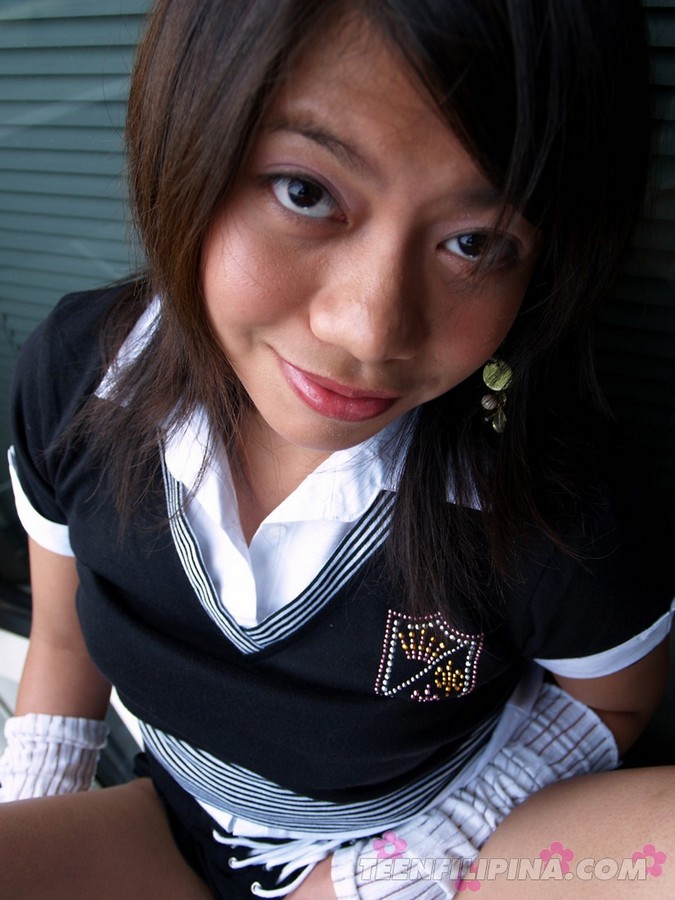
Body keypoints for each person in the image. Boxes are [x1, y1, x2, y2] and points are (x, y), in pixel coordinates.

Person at [0, 0, 673, 897]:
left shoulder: (549, 498)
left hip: (433, 843)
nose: (369, 327)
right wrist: (36, 825)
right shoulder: (82, 376)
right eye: (305, 192)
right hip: (165, 827)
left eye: (473, 243)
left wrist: (392, 873)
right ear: (190, 143)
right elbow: (62, 640)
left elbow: (611, 698)